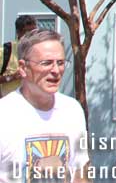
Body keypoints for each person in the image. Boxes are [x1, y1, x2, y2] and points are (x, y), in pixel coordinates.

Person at [0, 28, 89, 183]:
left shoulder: (73, 111)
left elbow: (80, 170)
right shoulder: (5, 114)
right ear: (23, 68)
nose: (56, 70)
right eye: (46, 63)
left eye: (60, 63)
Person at [0, 15, 38, 98]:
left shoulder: (40, 51)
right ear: (18, 32)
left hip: (34, 105)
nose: (32, 35)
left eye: (34, 32)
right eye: (28, 32)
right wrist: (11, 77)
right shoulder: (6, 50)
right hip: (9, 105)